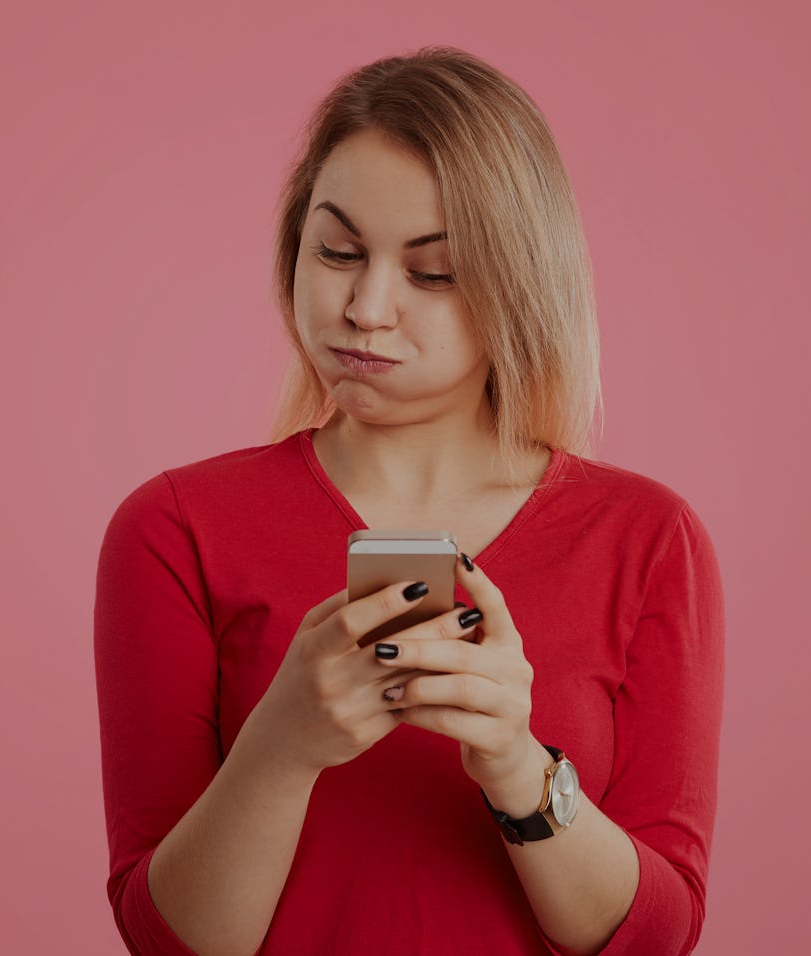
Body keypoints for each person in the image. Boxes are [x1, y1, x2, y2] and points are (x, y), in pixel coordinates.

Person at [94, 47, 724, 956]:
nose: (366, 306)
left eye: (432, 272)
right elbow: (168, 939)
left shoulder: (649, 540)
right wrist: (281, 747)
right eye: (338, 251)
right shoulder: (173, 528)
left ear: (519, 287)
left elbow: (660, 934)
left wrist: (518, 768)